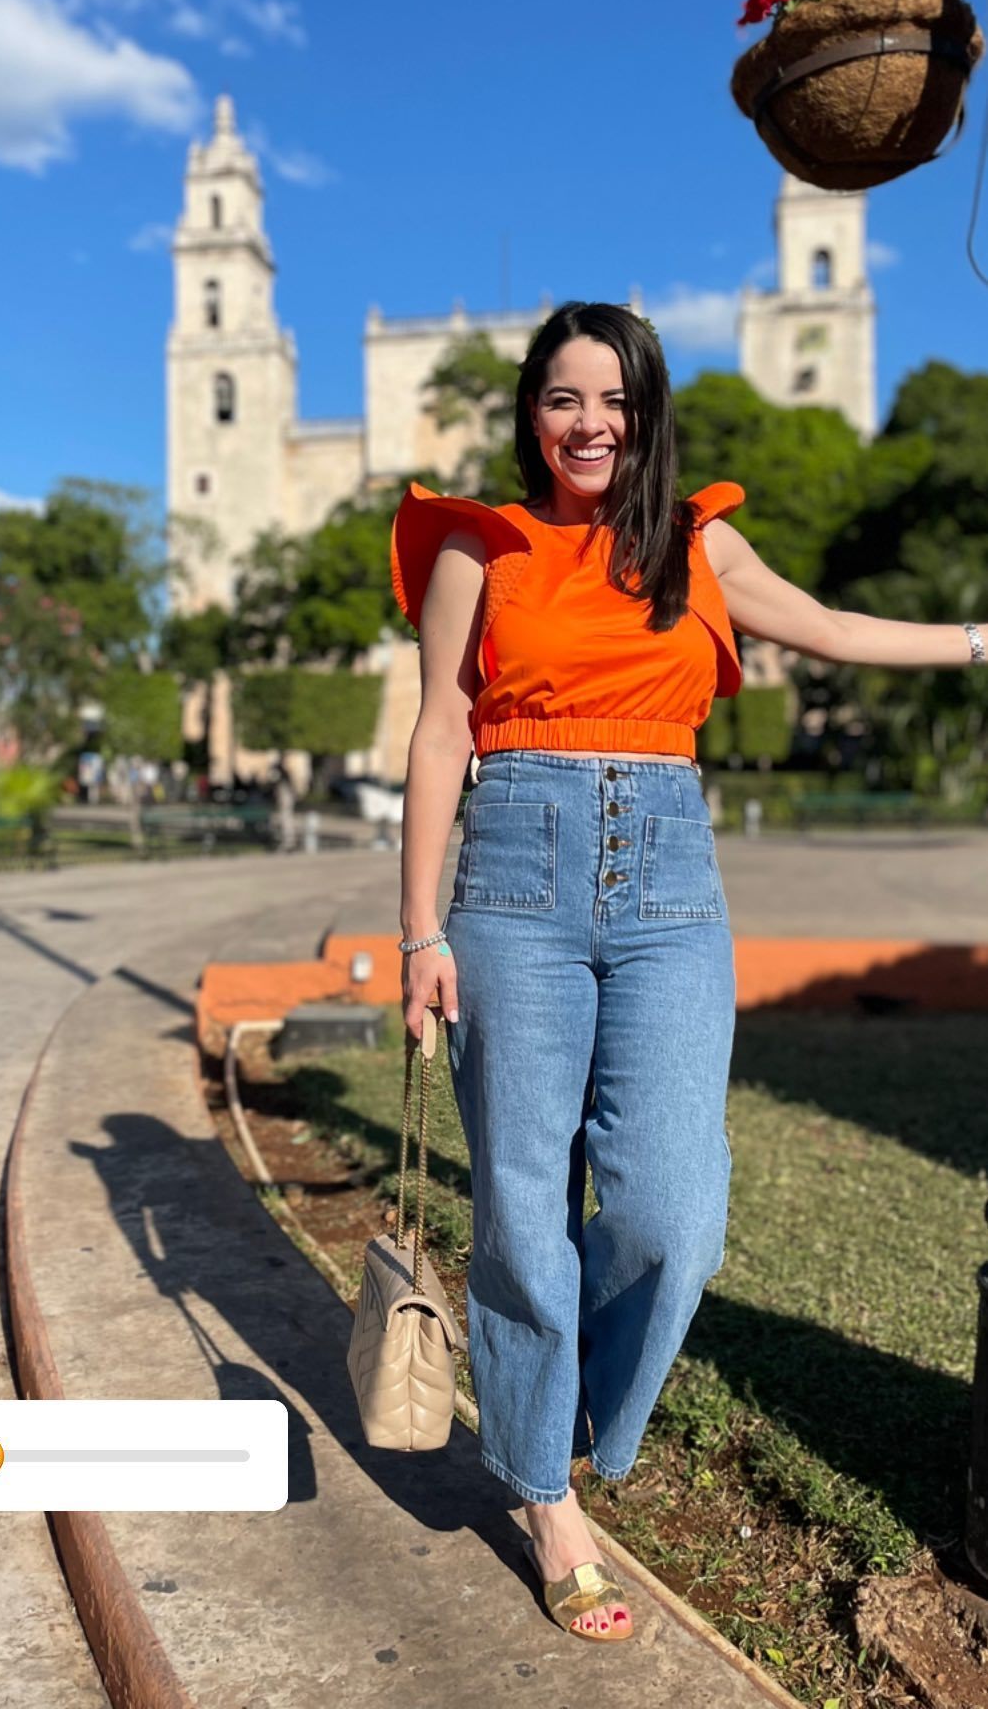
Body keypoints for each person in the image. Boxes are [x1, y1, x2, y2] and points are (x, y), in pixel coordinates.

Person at [391, 301, 986, 1647]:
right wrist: (420, 933)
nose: (588, 423)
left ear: (647, 412)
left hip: (667, 882)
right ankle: (548, 1497)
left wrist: (979, 640)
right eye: (562, 398)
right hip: (513, 882)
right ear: (531, 414)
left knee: (672, 1209)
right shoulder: (479, 547)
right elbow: (437, 734)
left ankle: (564, 1417)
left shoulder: (695, 541)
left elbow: (830, 627)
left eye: (613, 399)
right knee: (522, 1205)